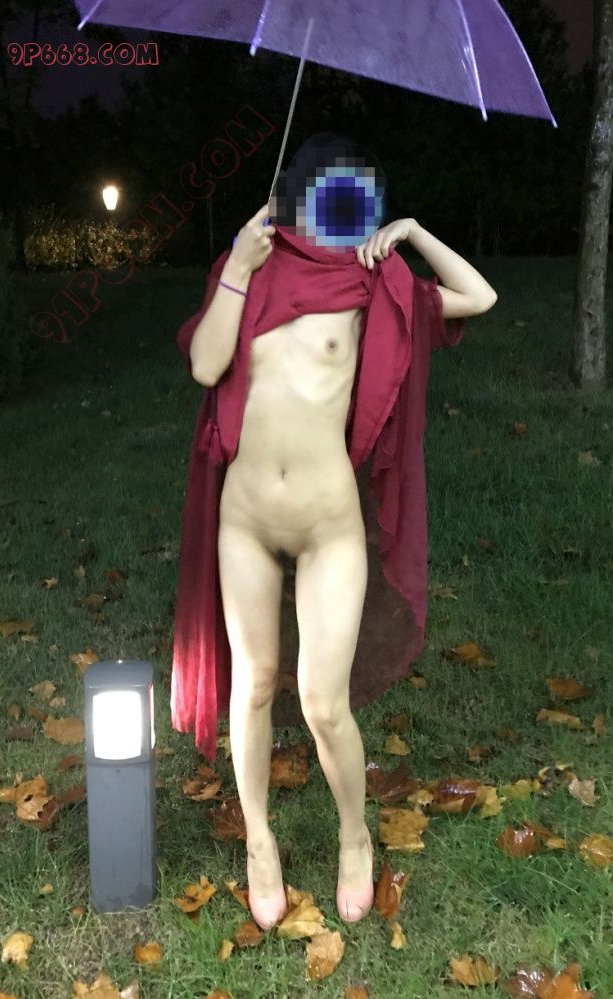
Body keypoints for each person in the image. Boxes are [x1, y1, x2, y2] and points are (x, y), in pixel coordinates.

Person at [172, 132, 498, 930]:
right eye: (337, 196)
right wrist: (238, 268)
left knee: (322, 704)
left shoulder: (371, 280)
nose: (350, 214)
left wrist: (412, 233)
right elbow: (205, 366)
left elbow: (479, 295)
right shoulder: (247, 264)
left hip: (328, 526)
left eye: (364, 201)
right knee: (254, 686)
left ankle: (355, 834)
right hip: (246, 521)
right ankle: (260, 843)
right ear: (298, 195)